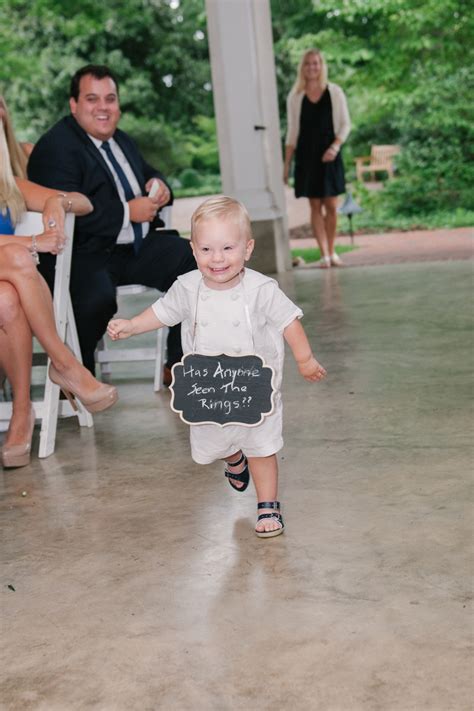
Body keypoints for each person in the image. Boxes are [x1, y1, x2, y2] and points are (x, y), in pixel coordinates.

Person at [107, 196, 327, 538]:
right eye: (206, 249)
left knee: (262, 445)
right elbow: (163, 312)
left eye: (227, 247)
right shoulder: (187, 287)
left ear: (248, 248)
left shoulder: (261, 289)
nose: (217, 258)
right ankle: (233, 459)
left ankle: (267, 504)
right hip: (207, 388)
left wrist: (305, 358)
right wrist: (133, 325)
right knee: (216, 443)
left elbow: (288, 322)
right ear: (193, 250)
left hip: (255, 387)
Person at [27, 64, 196, 380]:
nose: (103, 107)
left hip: (134, 246)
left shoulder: (121, 140)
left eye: (110, 99)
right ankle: (77, 374)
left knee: (197, 261)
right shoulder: (56, 147)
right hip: (82, 253)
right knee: (97, 298)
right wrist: (126, 213)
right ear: (74, 105)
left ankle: (177, 362)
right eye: (92, 99)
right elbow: (63, 210)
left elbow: (148, 172)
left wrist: (160, 185)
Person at [0, 117, 118, 469]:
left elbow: (85, 203)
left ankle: (23, 410)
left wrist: (59, 202)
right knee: (20, 258)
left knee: (6, 299)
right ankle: (64, 363)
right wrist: (32, 241)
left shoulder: (9, 187)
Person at [284, 49, 351, 268]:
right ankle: (323, 255)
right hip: (307, 156)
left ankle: (332, 252)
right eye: (308, 64)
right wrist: (287, 165)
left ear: (321, 66)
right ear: (302, 68)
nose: (312, 67)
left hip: (330, 154)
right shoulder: (295, 97)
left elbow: (345, 124)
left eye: (316, 63)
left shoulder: (335, 92)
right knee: (314, 205)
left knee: (331, 205)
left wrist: (336, 146)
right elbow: (292, 132)